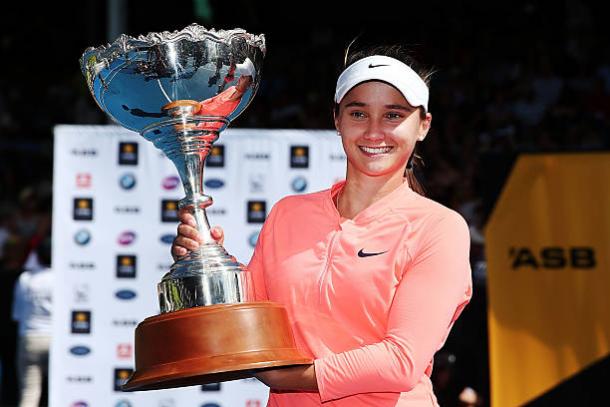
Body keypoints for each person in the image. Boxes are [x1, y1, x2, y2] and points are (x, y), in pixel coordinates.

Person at [172, 45, 472, 406]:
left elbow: (401, 362)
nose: (374, 131)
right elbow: (246, 324)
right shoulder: (288, 213)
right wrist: (206, 267)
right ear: (337, 120)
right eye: (358, 113)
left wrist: (288, 376)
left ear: (423, 125)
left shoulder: (440, 228)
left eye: (393, 115)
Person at [12, 237, 53, 407]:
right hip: (56, 339)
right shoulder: (64, 278)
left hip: (30, 337)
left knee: (30, 392)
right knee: (62, 388)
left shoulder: (25, 279)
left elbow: (17, 314)